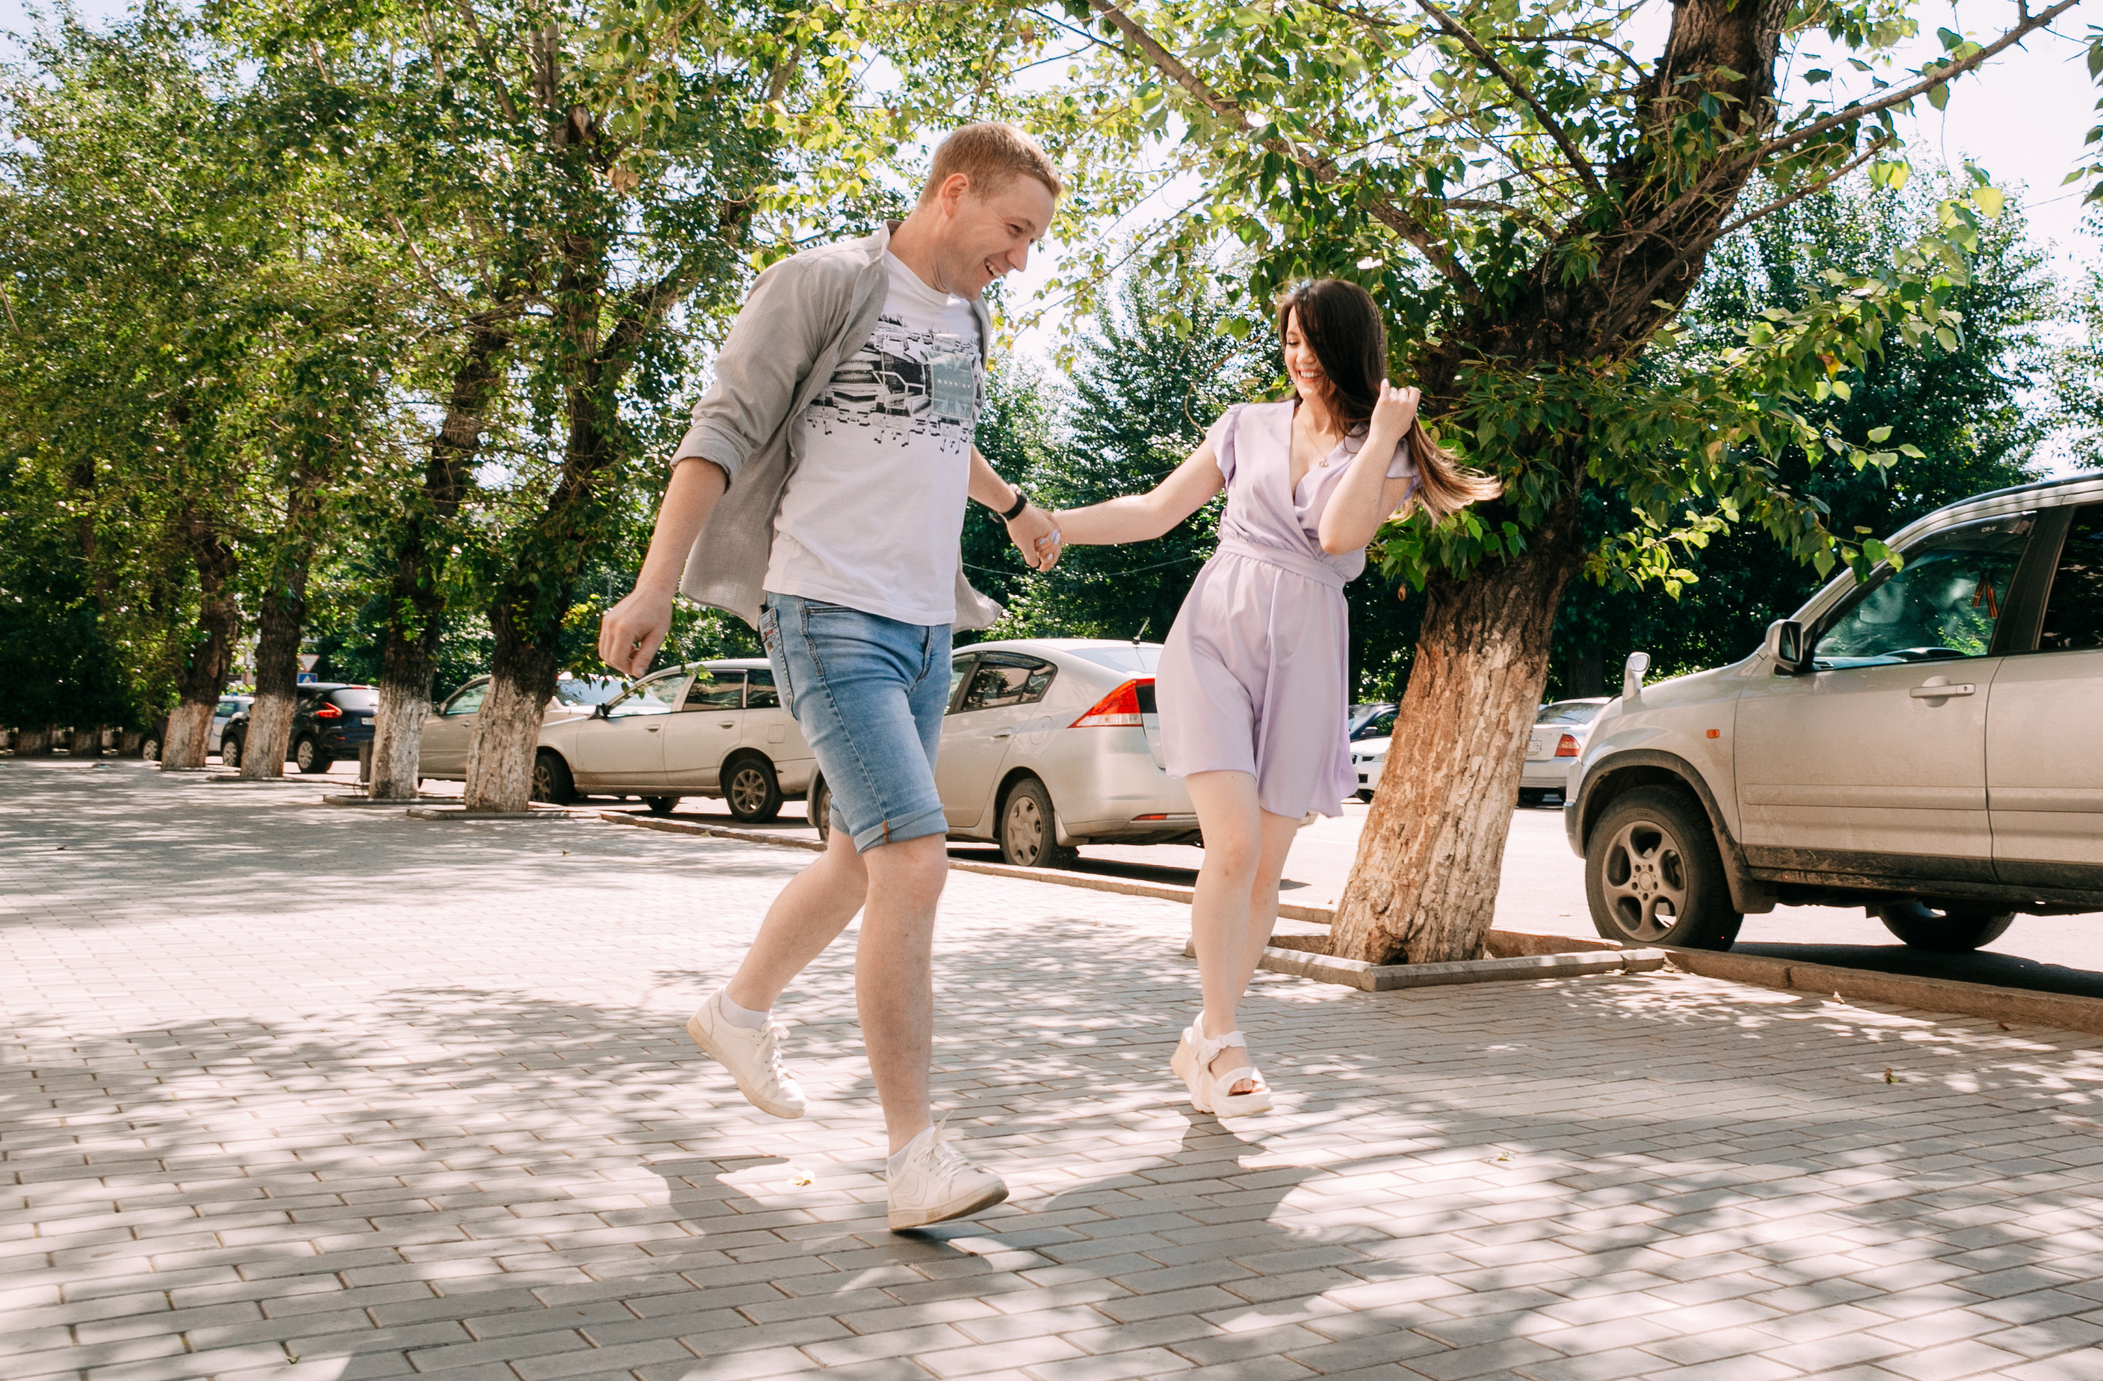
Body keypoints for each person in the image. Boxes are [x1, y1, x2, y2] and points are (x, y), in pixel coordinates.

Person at [595, 123, 1066, 1231]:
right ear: (952, 193)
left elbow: (938, 437)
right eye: (1014, 230)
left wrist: (1010, 504)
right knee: (913, 856)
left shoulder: (965, 317)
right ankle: (914, 1157)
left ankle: (738, 1011)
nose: (1021, 259)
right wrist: (652, 585)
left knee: (859, 858)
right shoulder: (820, 284)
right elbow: (721, 430)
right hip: (824, 608)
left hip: (921, 628)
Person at [1048, 279, 1497, 1115]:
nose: (1297, 358)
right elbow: (1153, 510)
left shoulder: (1388, 452)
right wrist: (1054, 522)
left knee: (1263, 873)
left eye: (1312, 343)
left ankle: (1209, 1038)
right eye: (1288, 340)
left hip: (1306, 654)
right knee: (1232, 846)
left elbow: (1335, 536)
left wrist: (1387, 434)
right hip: (1217, 634)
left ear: (1349, 349)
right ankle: (1223, 1042)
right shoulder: (1245, 425)